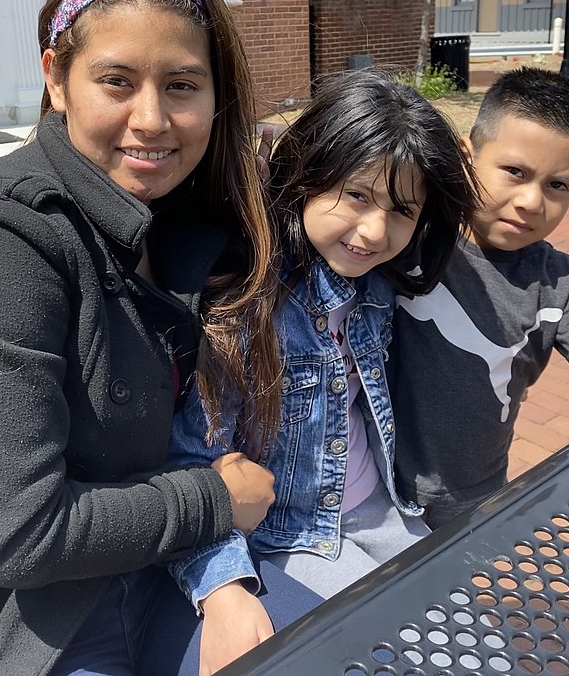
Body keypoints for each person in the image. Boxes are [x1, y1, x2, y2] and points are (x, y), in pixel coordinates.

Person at [0, 0, 320, 676]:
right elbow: (14, 532)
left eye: (182, 85)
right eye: (117, 80)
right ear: (57, 79)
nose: (152, 119)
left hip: (176, 570)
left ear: (217, 95)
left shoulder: (194, 216)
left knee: (344, 648)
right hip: (53, 615)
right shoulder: (3, 237)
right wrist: (211, 500)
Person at [168, 71, 479, 675]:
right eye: (357, 195)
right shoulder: (246, 304)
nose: (373, 230)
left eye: (401, 210)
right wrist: (222, 585)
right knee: (399, 659)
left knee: (479, 650)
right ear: (308, 175)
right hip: (293, 534)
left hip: (385, 513)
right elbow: (189, 461)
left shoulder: (375, 286)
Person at [387, 67, 569, 531]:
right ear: (466, 156)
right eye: (514, 172)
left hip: (476, 501)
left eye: (558, 185)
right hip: (372, 490)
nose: (532, 201)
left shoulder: (560, 281)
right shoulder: (408, 236)